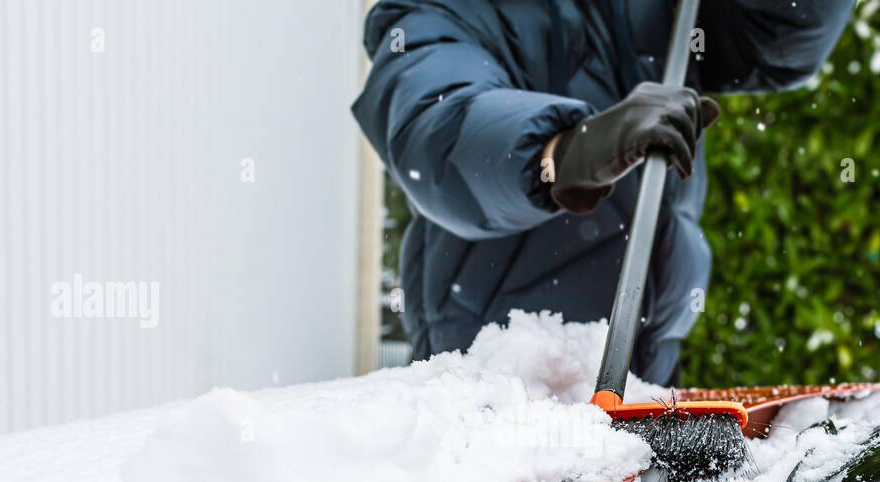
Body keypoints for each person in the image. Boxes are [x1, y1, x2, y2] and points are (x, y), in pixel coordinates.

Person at [353, 0, 853, 385]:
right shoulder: (436, 11)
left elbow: (784, 36)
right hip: (492, 387)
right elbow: (437, 133)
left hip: (645, 373)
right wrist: (563, 154)